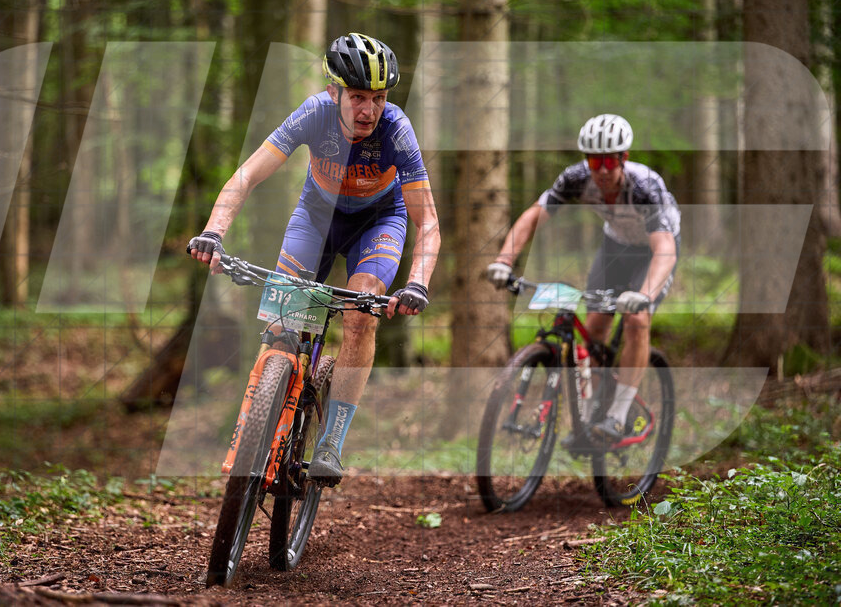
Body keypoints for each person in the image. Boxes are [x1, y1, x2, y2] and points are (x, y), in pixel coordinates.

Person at [189, 33, 441, 486]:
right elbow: (245, 176)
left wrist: (418, 281)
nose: (368, 110)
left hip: (379, 222)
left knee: (362, 311)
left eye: (379, 98)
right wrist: (213, 232)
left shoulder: (396, 129)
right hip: (317, 217)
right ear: (334, 91)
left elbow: (427, 223)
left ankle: (330, 442)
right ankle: (262, 418)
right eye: (358, 97)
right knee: (283, 322)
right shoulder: (313, 113)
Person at [486, 114, 679, 445]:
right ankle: (590, 418)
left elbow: (665, 248)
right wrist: (504, 261)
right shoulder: (576, 178)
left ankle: (618, 416)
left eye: (608, 161)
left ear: (623, 158)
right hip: (615, 246)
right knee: (593, 331)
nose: (601, 170)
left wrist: (644, 294)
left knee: (635, 319)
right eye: (594, 160)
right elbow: (534, 215)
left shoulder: (645, 187)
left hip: (654, 249)